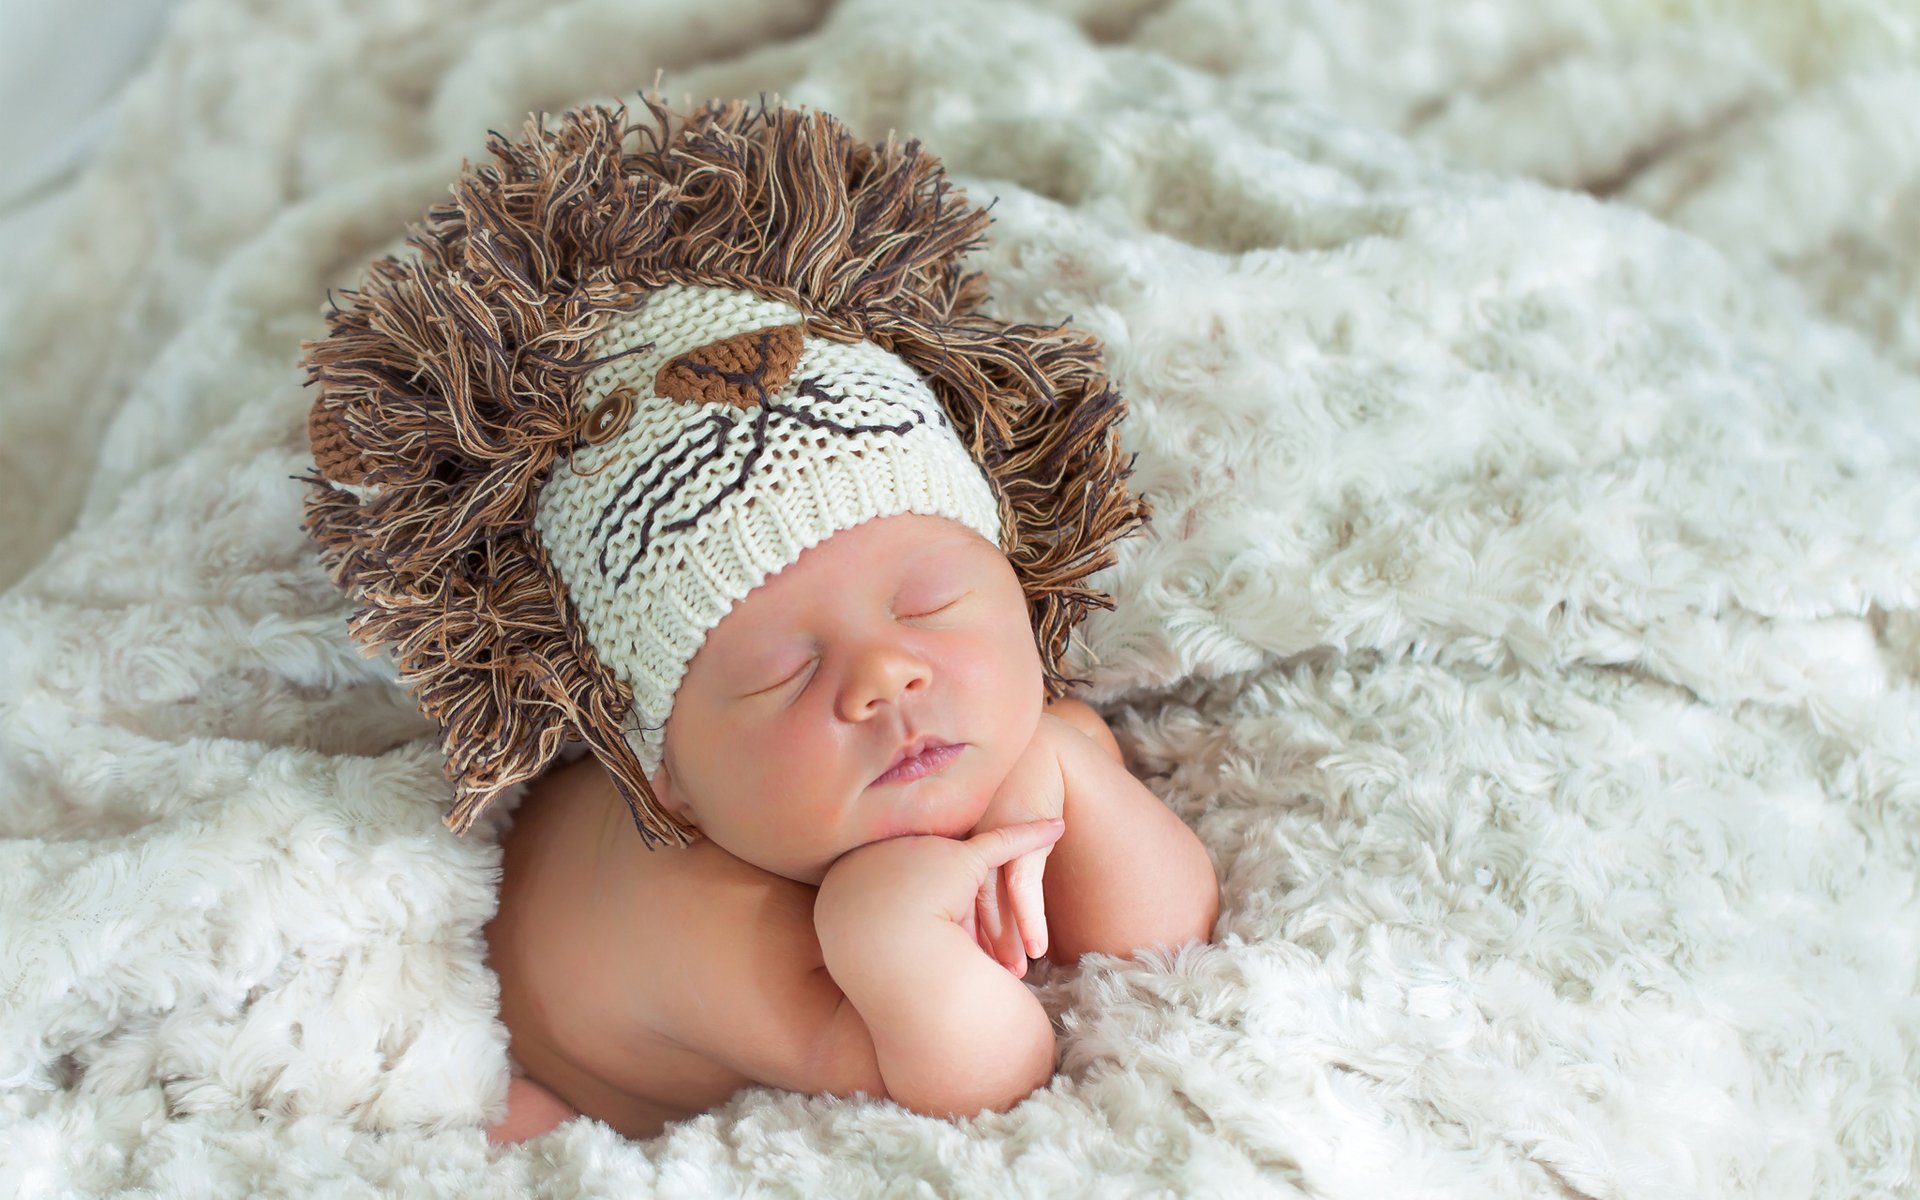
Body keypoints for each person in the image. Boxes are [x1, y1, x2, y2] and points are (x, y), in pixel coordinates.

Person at [297, 92, 1216, 1146]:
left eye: (932, 604)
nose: (885, 676)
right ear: (667, 779)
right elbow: (981, 1080)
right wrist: (891, 934)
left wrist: (1071, 780)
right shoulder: (715, 930)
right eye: (783, 670)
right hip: (559, 1051)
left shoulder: (1004, 732)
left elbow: (1163, 936)